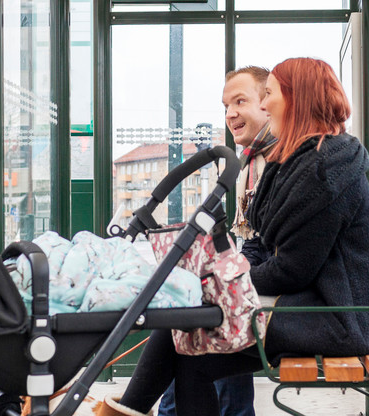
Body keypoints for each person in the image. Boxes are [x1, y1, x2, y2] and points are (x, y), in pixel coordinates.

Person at [94, 57, 369, 416]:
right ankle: (129, 409)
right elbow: (266, 246)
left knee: (194, 319)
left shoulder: (324, 169)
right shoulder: (298, 161)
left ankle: (126, 409)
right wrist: (219, 280)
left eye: (269, 95)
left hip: (340, 318)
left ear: (297, 98)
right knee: (191, 342)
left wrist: (219, 283)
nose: (264, 105)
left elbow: (293, 270)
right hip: (316, 305)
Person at [157, 66, 275, 416]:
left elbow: (279, 251)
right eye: (226, 106)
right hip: (272, 282)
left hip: (296, 298)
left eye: (241, 101)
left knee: (211, 315)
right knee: (192, 308)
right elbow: (254, 241)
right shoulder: (249, 161)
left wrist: (232, 281)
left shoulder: (276, 162)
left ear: (267, 103)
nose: (230, 114)